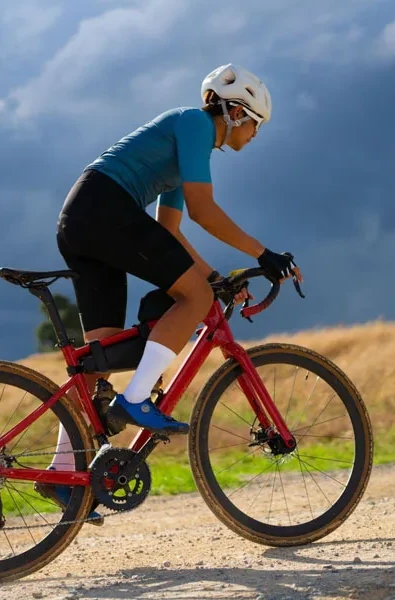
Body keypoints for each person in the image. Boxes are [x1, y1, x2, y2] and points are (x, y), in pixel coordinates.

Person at [34, 64, 302, 523]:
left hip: (82, 219)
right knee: (193, 300)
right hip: (105, 211)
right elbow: (203, 210)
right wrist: (263, 254)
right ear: (236, 112)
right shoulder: (195, 125)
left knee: (98, 362)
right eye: (257, 123)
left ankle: (61, 475)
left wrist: (215, 276)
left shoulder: (186, 147)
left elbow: (170, 231)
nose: (257, 134)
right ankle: (136, 400)